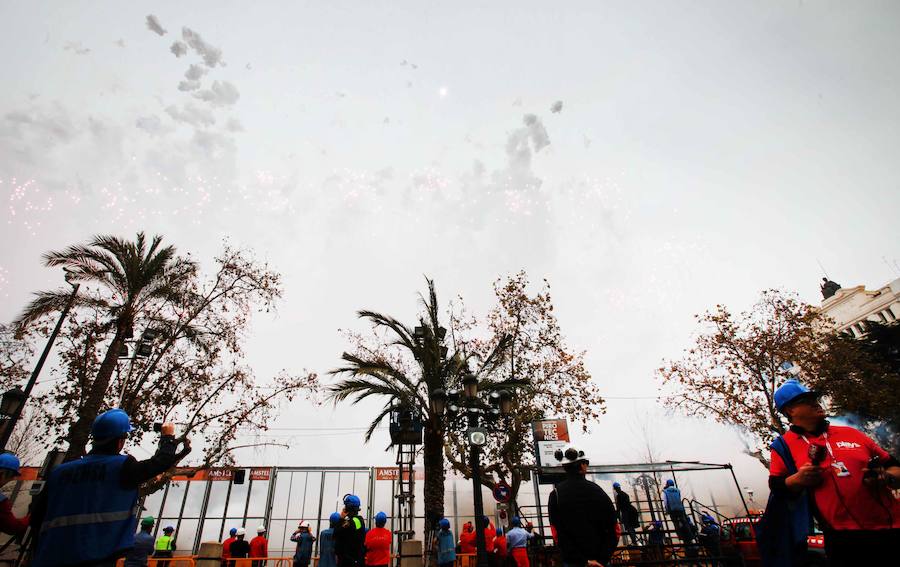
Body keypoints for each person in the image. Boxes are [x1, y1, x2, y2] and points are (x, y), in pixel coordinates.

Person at [30, 409, 190, 567]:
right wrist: (168, 437)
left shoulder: (59, 472)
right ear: (120, 441)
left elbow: (36, 516)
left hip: (48, 557)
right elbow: (160, 463)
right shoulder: (121, 467)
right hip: (97, 556)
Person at [767, 379, 900, 566]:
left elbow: (895, 467)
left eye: (815, 398)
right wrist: (798, 479)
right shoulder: (783, 446)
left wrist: (887, 477)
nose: (816, 403)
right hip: (841, 539)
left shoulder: (852, 434)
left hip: (890, 527)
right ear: (790, 410)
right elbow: (777, 486)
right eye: (806, 399)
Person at [547, 446, 618, 567]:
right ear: (582, 466)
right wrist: (602, 559)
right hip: (601, 562)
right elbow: (615, 529)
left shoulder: (555, 495)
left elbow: (557, 534)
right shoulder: (598, 491)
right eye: (586, 463)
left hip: (573, 562)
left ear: (564, 467)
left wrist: (582, 561)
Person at [0, 453, 28, 537]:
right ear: (2, 474)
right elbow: (12, 527)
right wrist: (30, 518)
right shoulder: (1, 501)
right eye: (12, 476)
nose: (11, 480)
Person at [334, 493, 367, 567]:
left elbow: (336, 534)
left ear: (346, 507)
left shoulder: (348, 521)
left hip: (347, 561)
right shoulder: (359, 520)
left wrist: (341, 519)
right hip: (357, 560)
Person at [662, 479, 693, 543]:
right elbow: (679, 498)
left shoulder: (665, 491)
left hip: (672, 509)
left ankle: (680, 536)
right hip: (680, 508)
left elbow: (665, 501)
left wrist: (666, 510)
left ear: (667, 484)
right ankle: (690, 535)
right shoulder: (678, 490)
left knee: (675, 523)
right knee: (684, 522)